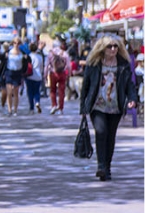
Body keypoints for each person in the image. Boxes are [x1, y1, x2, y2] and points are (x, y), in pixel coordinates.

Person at [79, 35, 137, 181]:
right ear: (102, 48)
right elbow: (85, 86)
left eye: (115, 46)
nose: (113, 49)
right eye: (109, 46)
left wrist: (132, 99)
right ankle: (101, 166)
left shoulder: (123, 64)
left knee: (110, 136)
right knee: (101, 131)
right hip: (97, 105)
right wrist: (83, 108)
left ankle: (107, 167)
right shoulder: (94, 63)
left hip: (115, 106)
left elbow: (129, 84)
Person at [46, 38, 70, 114]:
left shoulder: (50, 53)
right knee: (61, 91)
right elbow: (68, 66)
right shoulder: (64, 53)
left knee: (52, 90)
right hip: (62, 73)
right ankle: (61, 108)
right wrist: (68, 74)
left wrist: (45, 75)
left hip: (53, 73)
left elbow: (46, 65)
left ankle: (54, 105)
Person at [3, 42, 23, 115]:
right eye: (14, 43)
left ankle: (15, 109)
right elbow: (2, 59)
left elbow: (27, 60)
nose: (16, 44)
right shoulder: (9, 52)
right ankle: (9, 109)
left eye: (18, 43)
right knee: (9, 92)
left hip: (18, 72)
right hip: (9, 72)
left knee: (16, 92)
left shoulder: (22, 52)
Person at [25, 41, 43, 113]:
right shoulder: (40, 57)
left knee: (30, 92)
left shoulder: (29, 56)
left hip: (30, 76)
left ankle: (31, 108)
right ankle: (37, 102)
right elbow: (41, 67)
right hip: (38, 76)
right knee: (37, 91)